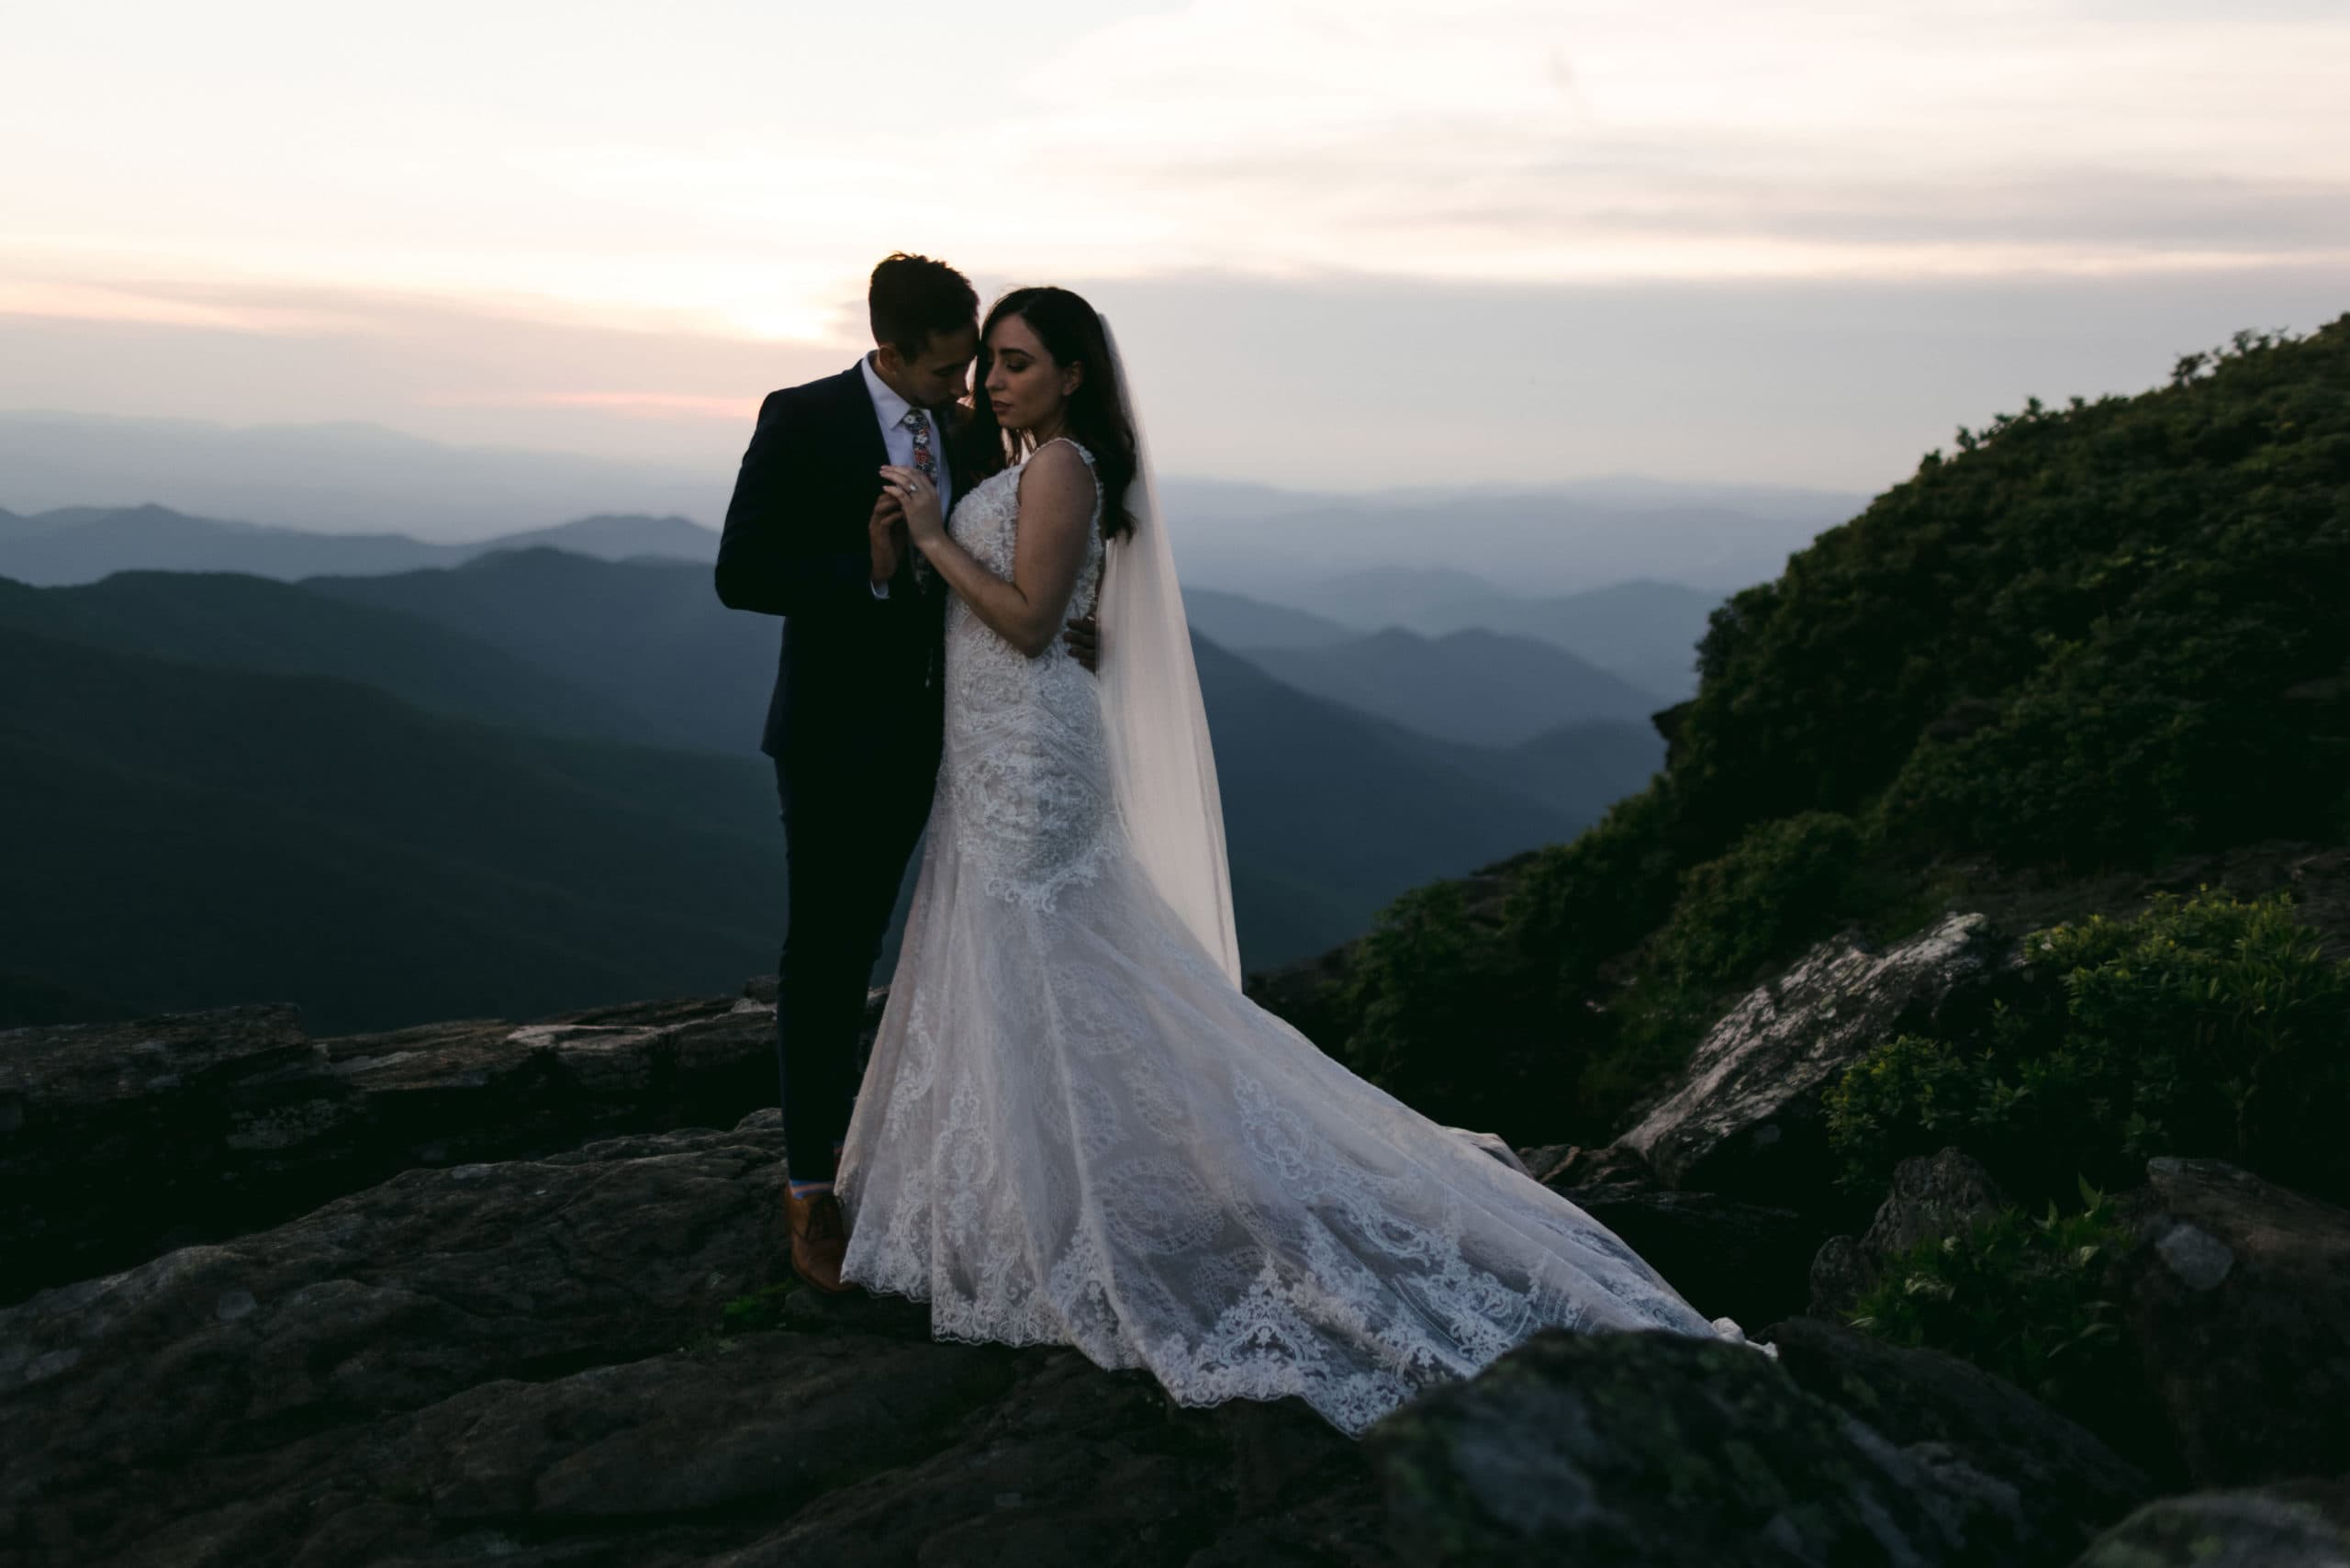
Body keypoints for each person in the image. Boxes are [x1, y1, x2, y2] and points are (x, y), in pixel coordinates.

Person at [834, 284, 1755, 1439]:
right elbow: (1050, 611)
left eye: (1017, 362)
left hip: (1029, 752)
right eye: (991, 367)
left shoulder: (1062, 464)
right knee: (1021, 958)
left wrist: (930, 535)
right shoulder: (1024, 467)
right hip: (992, 741)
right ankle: (1035, 1193)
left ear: (1071, 374)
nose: (995, 383)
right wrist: (909, 556)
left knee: (1058, 960)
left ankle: (1083, 1204)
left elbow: (1022, 620)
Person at [713, 252, 1098, 1294]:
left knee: (960, 946)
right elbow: (739, 572)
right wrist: (867, 570)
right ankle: (810, 1189)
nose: (964, 389)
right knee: (830, 954)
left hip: (977, 737)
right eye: (943, 372)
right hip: (840, 738)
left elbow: (1028, 549)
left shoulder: (972, 431)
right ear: (889, 348)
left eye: (973, 366)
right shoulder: (801, 417)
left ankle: (969, 1164)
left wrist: (1078, 615)